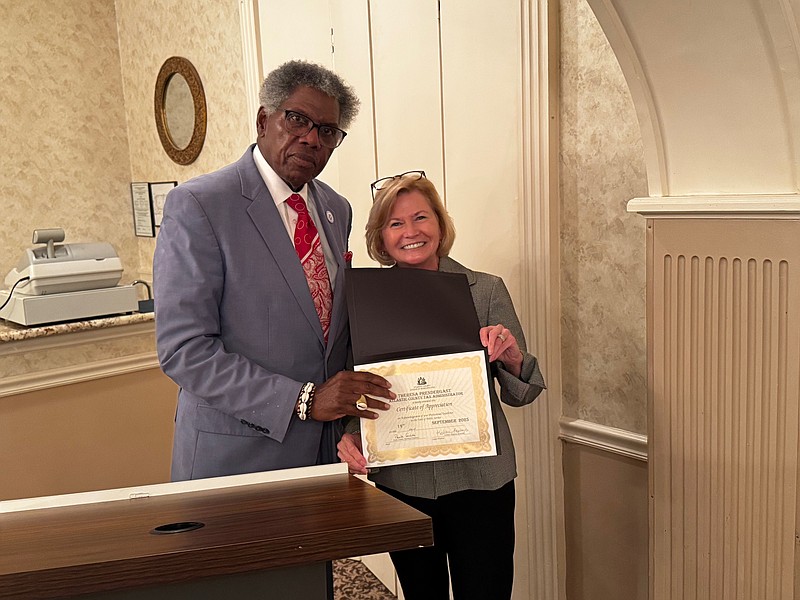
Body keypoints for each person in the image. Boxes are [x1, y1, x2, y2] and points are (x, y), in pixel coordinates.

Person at [154, 60, 393, 482]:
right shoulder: (200, 205)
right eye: (297, 119)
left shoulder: (337, 209)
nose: (311, 138)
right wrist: (304, 400)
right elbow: (184, 350)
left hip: (325, 454)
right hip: (236, 460)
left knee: (318, 552)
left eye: (327, 131)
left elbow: (329, 331)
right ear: (265, 120)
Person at [337, 171, 546, 600]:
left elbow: (523, 391)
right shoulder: (363, 299)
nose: (411, 232)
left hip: (481, 481)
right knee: (421, 593)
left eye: (421, 218)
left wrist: (510, 356)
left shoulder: (485, 290)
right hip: (402, 480)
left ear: (440, 224)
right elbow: (354, 386)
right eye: (396, 223)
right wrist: (350, 435)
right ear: (381, 235)